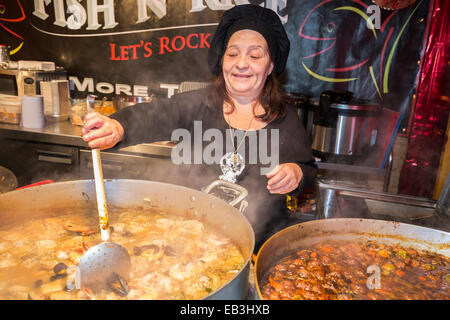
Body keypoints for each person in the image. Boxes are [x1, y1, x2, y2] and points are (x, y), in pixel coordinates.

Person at [82, 4, 317, 249]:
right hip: (188, 243)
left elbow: (307, 171)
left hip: (255, 247)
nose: (241, 64)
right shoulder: (198, 104)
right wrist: (119, 125)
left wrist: (296, 173)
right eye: (232, 54)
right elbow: (155, 114)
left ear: (269, 67)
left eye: (255, 56)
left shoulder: (285, 119)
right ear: (222, 61)